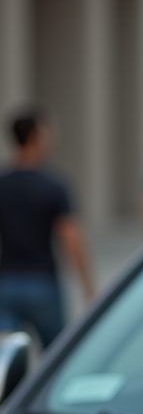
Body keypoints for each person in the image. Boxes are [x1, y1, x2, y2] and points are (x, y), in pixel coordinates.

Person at [0, 106, 94, 347]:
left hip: (6, 282)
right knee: (57, 356)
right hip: (43, 283)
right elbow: (72, 239)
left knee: (6, 357)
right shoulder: (54, 185)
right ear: (36, 136)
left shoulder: (4, 183)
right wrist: (88, 287)